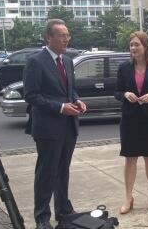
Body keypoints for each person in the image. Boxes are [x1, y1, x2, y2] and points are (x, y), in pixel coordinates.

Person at [23, 19, 87, 229]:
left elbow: (70, 90)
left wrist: (76, 100)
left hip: (69, 126)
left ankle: (63, 210)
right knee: (46, 173)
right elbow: (31, 96)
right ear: (48, 37)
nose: (66, 39)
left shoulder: (67, 61)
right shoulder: (36, 61)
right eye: (61, 35)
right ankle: (42, 217)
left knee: (63, 170)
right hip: (48, 128)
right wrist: (60, 107)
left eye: (67, 35)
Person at [114, 31, 148, 214]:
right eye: (131, 45)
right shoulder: (123, 68)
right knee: (130, 159)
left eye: (137, 44)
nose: (133, 48)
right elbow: (116, 92)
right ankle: (128, 197)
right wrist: (124, 94)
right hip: (129, 119)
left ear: (145, 47)